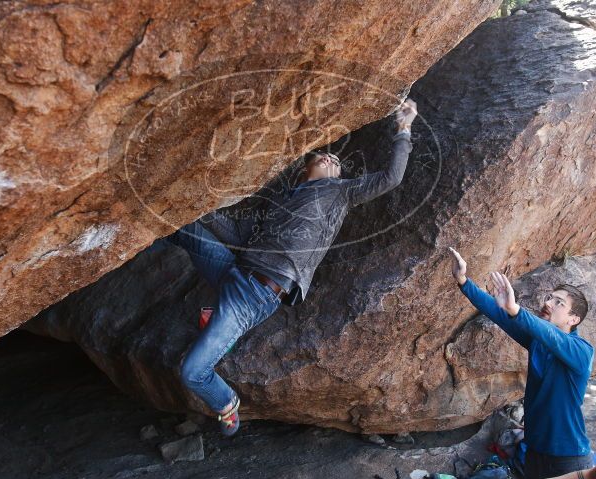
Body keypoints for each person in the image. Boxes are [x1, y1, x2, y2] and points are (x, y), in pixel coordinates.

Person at [166, 98, 417, 435]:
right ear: (303, 171)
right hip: (232, 270)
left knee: (193, 372)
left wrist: (403, 128)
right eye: (322, 157)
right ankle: (216, 318)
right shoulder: (280, 202)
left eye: (336, 161)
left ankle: (225, 403)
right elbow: (234, 233)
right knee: (180, 226)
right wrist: (196, 204)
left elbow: (392, 178)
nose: (330, 159)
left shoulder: (339, 194)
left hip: (253, 297)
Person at [448, 247, 594, 479]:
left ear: (573, 319)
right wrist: (464, 281)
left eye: (559, 302)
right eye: (550, 297)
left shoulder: (581, 351)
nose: (549, 302)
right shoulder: (539, 341)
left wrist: (516, 310)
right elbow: (498, 312)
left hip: (569, 457)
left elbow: (544, 331)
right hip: (536, 452)